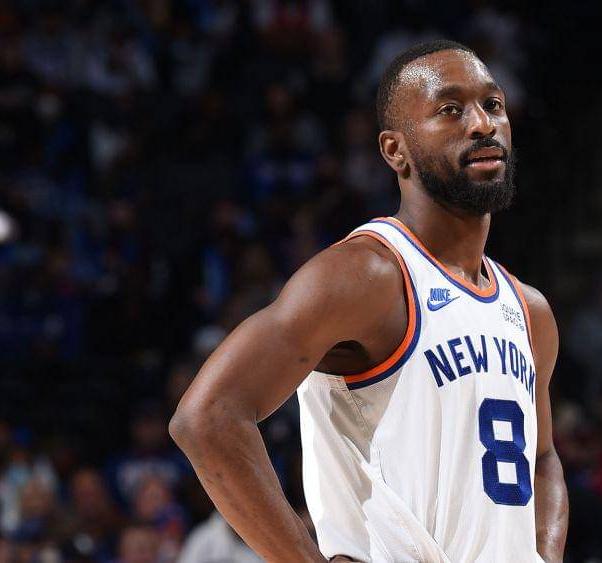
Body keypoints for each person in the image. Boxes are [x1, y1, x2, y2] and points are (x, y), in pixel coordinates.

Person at [169, 39, 568, 562]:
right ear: (394, 151)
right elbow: (207, 417)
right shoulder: (365, 275)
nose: (481, 124)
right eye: (450, 110)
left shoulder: (529, 311)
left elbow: (542, 458)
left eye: (492, 105)